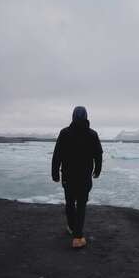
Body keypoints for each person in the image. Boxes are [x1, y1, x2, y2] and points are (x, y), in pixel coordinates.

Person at [51, 106, 103, 248]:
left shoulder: (65, 133)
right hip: (84, 177)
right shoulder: (92, 134)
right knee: (81, 205)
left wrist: (55, 173)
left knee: (69, 202)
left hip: (68, 176)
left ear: (73, 116)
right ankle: (77, 237)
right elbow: (98, 155)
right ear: (86, 116)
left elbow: (57, 155)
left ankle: (72, 228)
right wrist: (97, 170)